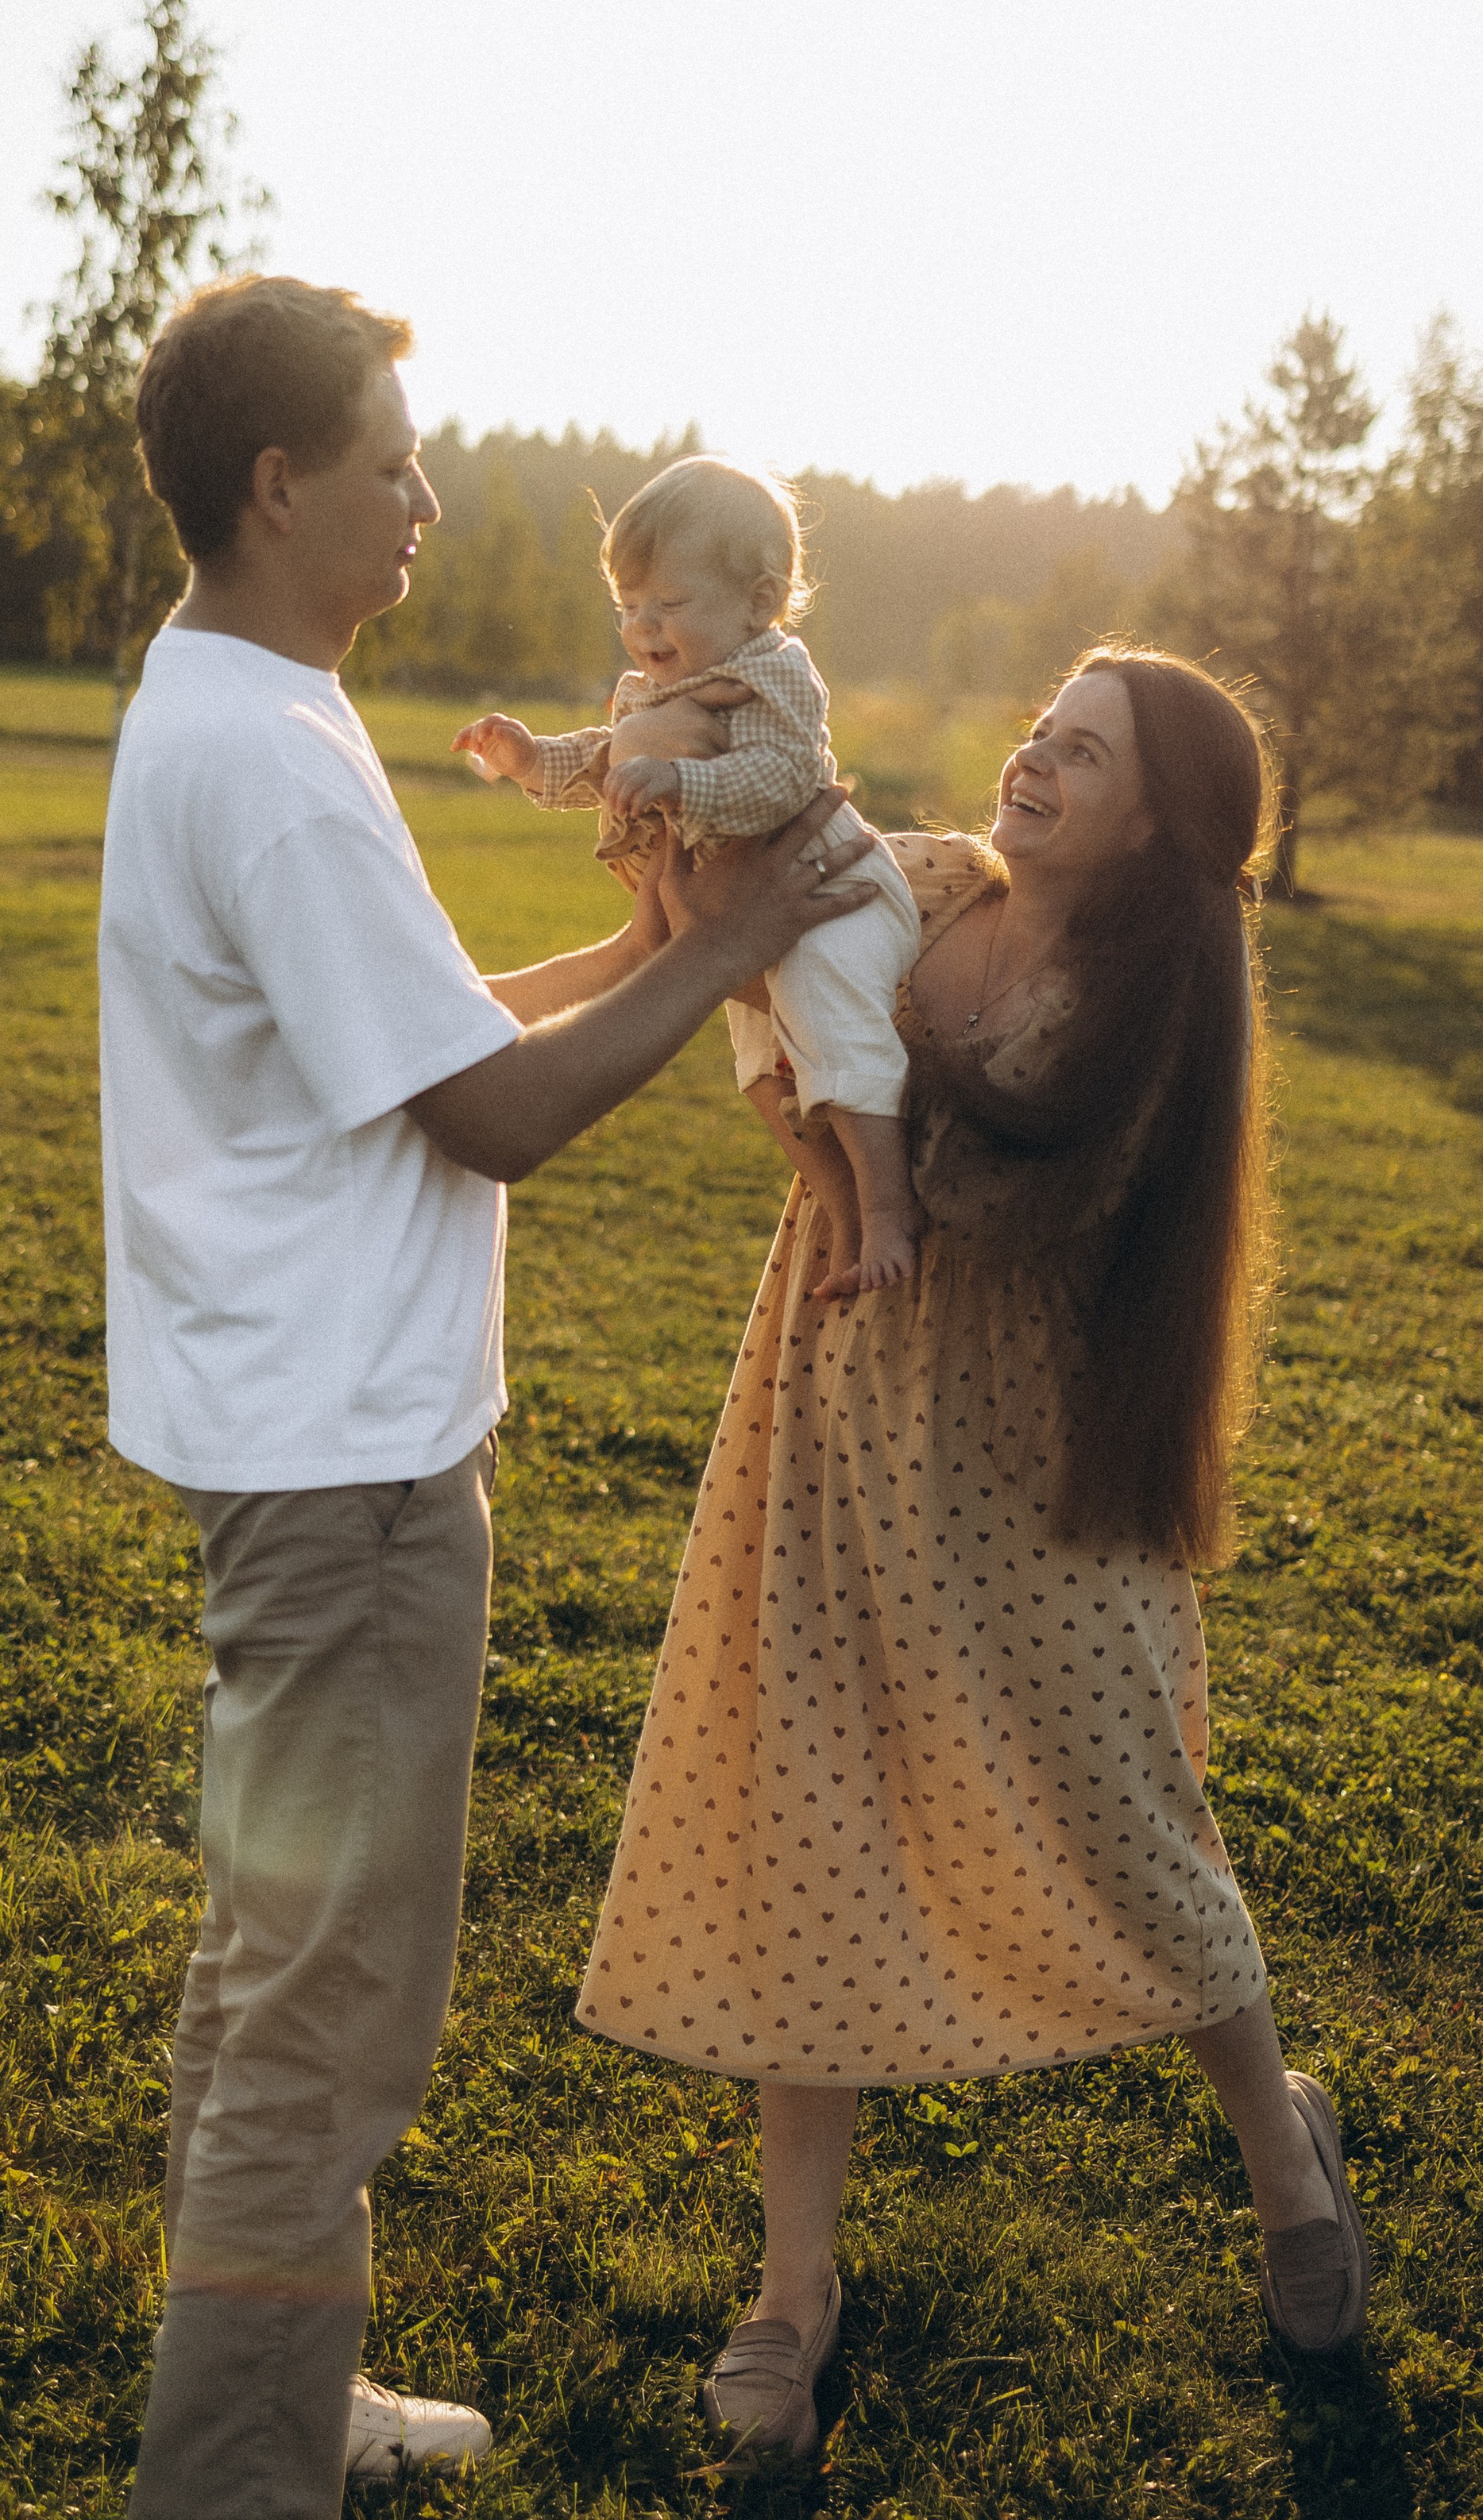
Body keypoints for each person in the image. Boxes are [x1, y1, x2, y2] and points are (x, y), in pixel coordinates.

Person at [98, 275, 875, 2520]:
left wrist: (638, 951)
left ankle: (278, 2394)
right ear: (281, 484)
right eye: (392, 461)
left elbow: (418, 1028)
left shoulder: (235, 698)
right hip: (343, 1465)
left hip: (289, 1428)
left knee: (275, 1966)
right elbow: (492, 1115)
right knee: (329, 2012)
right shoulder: (273, 759)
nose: (427, 496)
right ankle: (235, 2480)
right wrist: (729, 947)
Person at [577, 646, 1371, 2460]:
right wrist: (669, 798)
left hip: (1029, 1464)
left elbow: (998, 1201)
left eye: (1079, 752)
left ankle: (1281, 2150)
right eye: (1035, 729)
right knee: (809, 1819)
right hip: (832, 1409)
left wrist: (841, 1083)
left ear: (1153, 821)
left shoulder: (1147, 1008)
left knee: (1124, 1817)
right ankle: (792, 2290)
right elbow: (740, 944)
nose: (1030, 759)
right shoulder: (923, 882)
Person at [454, 456, 924, 1298]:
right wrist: (530, 760)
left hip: (828, 893)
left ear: (758, 601)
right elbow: (609, 759)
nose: (642, 627)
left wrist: (679, 781)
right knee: (761, 1074)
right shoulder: (658, 688)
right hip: (750, 911)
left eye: (667, 604)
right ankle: (843, 1211)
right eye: (627, 606)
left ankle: (889, 1209)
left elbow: (783, 776)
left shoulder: (773, 674)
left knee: (830, 1028)